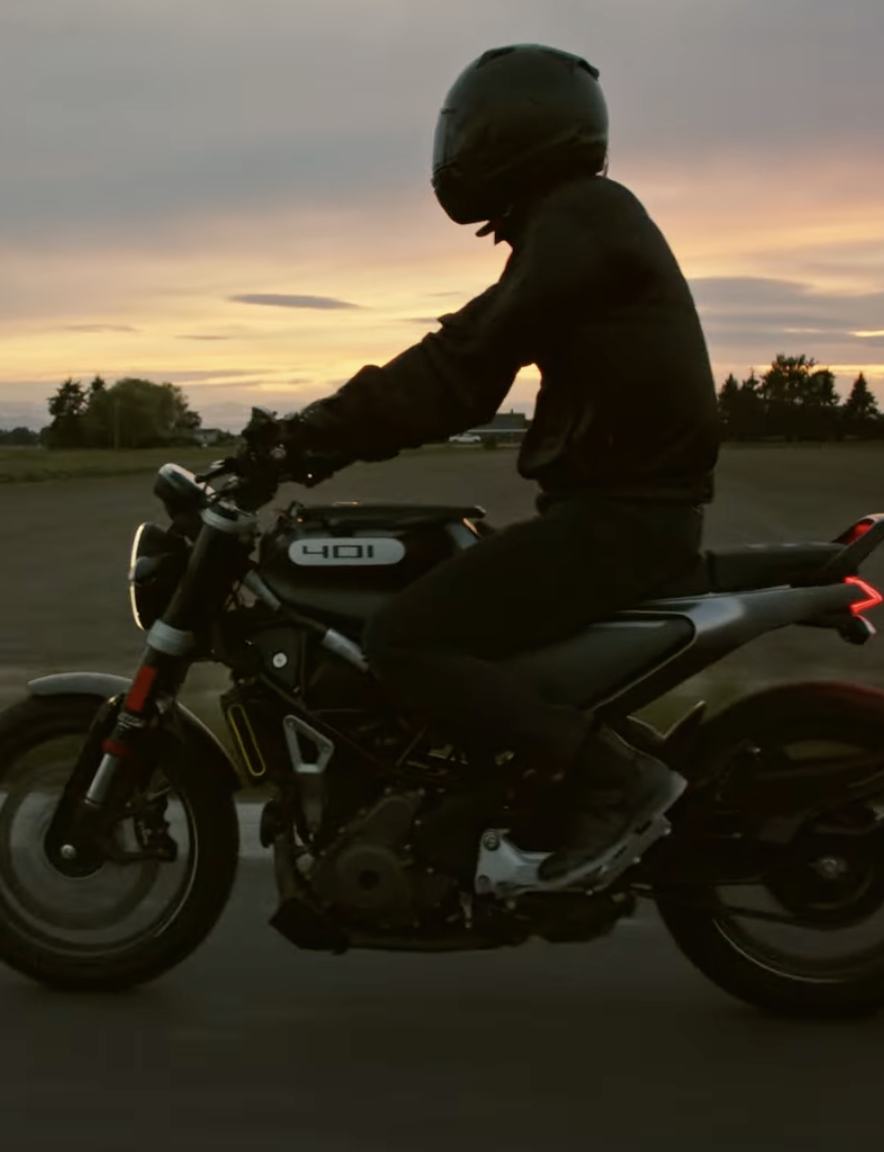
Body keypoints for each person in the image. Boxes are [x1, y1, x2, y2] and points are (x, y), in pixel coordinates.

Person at [249, 43, 720, 887]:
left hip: (622, 521)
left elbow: (461, 367)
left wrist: (307, 438)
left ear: (515, 130)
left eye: (468, 132)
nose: (456, 151)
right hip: (619, 511)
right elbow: (468, 360)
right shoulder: (574, 224)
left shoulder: (582, 223)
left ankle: (616, 784)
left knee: (406, 638)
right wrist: (319, 437)